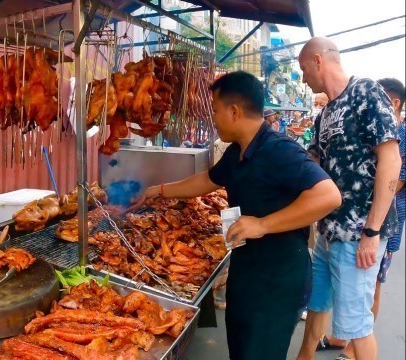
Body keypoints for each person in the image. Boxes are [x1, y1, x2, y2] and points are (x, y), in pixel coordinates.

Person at [132, 71, 342, 359]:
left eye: (215, 111)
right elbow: (208, 180)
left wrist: (263, 224)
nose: (213, 118)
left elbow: (329, 195)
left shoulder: (279, 150)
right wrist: (161, 190)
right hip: (247, 266)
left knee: (261, 352)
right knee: (241, 347)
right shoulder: (236, 152)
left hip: (278, 276)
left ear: (234, 111)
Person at [296, 37, 401, 360]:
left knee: (357, 325)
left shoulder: (366, 93)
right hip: (328, 232)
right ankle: (304, 357)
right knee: (317, 305)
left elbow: (391, 160)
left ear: (318, 61)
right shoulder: (325, 113)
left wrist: (372, 232)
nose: (303, 79)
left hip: (358, 236)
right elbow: (311, 165)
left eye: (303, 70)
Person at [314, 78, 406, 359]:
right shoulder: (338, 113)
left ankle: (354, 348)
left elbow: (395, 176)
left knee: (366, 297)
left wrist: (371, 230)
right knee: (347, 297)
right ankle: (343, 341)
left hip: (378, 224)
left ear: (394, 103)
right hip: (348, 227)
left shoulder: (397, 135)